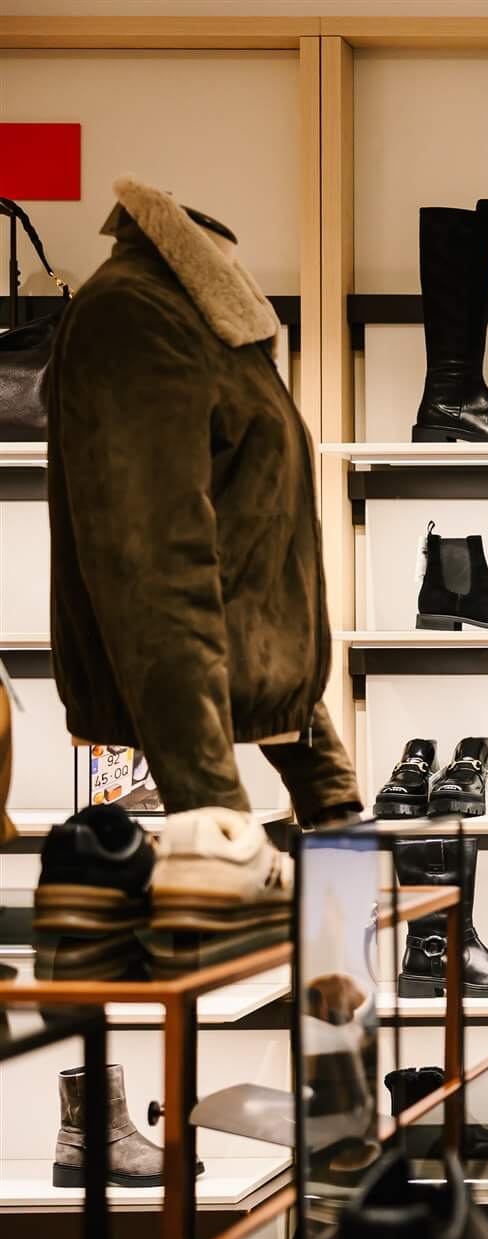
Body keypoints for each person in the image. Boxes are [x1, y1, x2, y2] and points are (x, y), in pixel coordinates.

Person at [43, 177, 358, 894]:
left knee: (340, 987)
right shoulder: (133, 315)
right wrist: (218, 823)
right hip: (184, 742)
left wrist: (332, 796)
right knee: (233, 982)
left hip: (231, 728)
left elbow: (257, 576)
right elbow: (154, 573)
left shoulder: (214, 321)